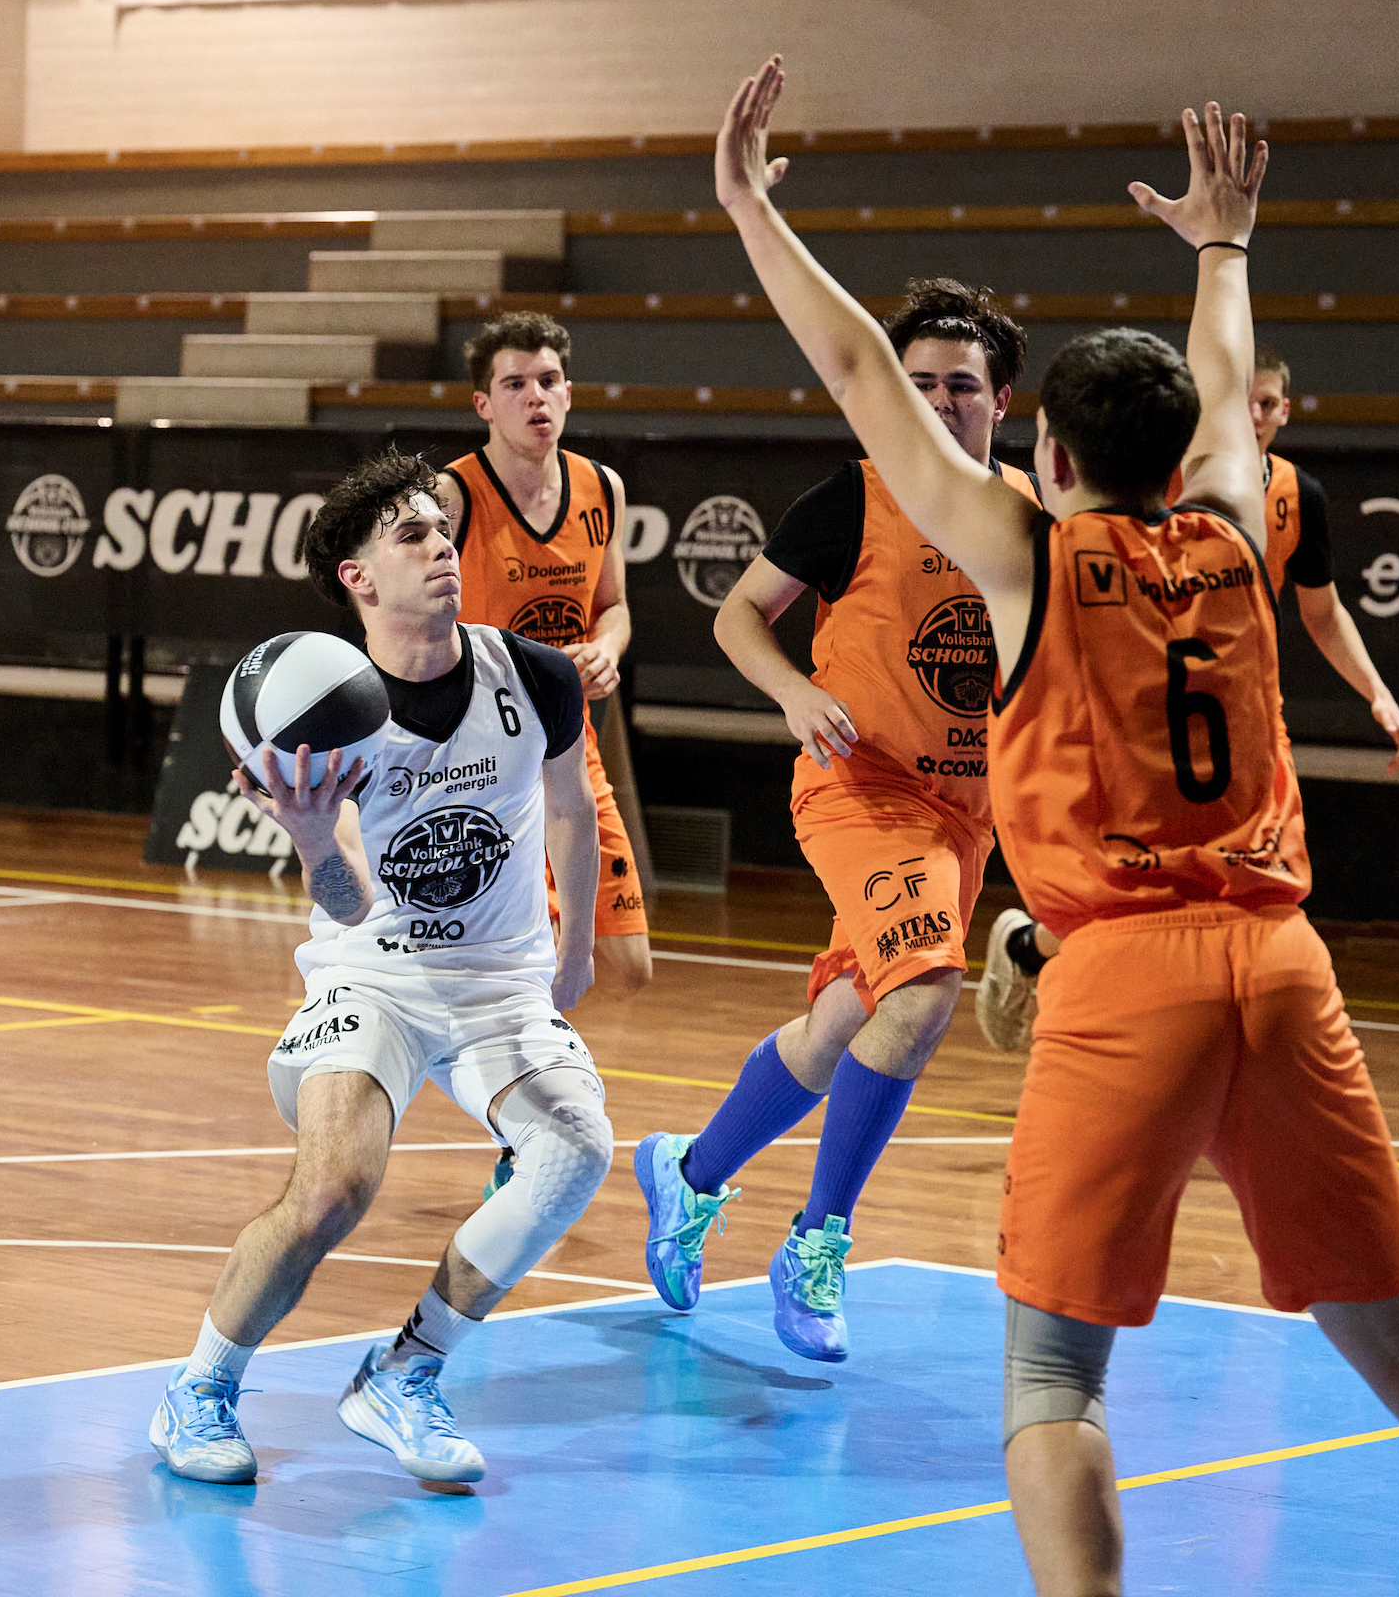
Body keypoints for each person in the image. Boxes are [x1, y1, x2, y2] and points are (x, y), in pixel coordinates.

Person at [711, 57, 1399, 1597]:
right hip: (1283, 962)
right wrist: (1225, 246)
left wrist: (746, 210)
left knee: (1054, 1384)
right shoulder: (1244, 532)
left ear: (1045, 456)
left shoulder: (1031, 556)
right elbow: (1224, 376)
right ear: (1191, 454)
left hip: (1127, 976)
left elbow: (863, 377)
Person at [149, 447, 611, 1488]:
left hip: (500, 979)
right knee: (334, 1190)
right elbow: (352, 900)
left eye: (446, 532)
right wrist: (313, 837)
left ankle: (405, 1373)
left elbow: (576, 812)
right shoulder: (326, 718)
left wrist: (571, 953)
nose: (442, 548)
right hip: (379, 976)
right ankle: (200, 1389)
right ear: (356, 575)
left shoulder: (531, 674)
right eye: (411, 536)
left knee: (576, 1147)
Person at [631, 279, 1040, 1362]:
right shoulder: (851, 498)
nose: (937, 404)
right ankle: (818, 1242)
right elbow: (736, 613)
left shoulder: (1031, 512)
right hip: (861, 788)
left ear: (1003, 399)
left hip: (967, 812)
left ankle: (688, 1174)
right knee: (926, 992)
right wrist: (793, 691)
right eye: (916, 387)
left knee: (845, 1025)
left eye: (960, 386)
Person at [976, 342, 1399, 1050]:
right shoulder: (1168, 474)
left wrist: (1377, 692)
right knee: (1131, 872)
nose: (1256, 414)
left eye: (1268, 402)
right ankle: (1059, 965)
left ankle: (1038, 951)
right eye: (1245, 400)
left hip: (1228, 691)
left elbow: (1323, 613)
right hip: (1128, 687)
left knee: (1218, 879)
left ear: (1285, 410)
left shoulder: (1297, 496)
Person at [439, 312, 653, 1003]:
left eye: (548, 380)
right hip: (481, 754)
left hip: (567, 743)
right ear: (484, 404)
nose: (535, 396)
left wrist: (605, 648)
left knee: (625, 962)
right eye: (515, 384)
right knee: (528, 961)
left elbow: (614, 606)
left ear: (568, 392)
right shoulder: (451, 495)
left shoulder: (602, 487)